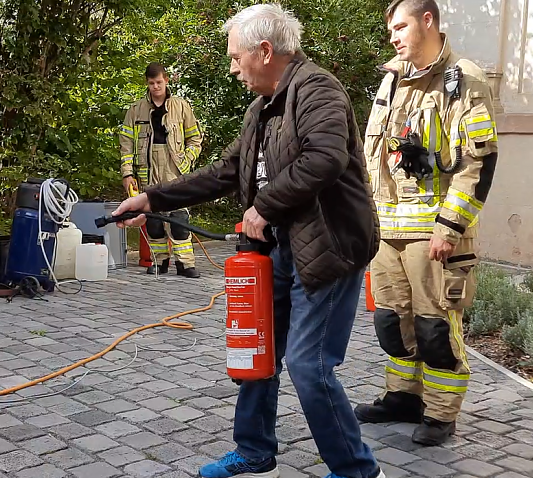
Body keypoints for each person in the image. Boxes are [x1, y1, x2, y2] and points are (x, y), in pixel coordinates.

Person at [112, 4, 384, 478]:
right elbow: (228, 172)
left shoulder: (317, 89)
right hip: (278, 250)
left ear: (264, 51)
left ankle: (358, 470)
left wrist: (263, 207)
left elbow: (324, 159)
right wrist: (152, 199)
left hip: (328, 249)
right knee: (255, 347)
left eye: (237, 57)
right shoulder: (261, 107)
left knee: (307, 365)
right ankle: (255, 449)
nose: (232, 67)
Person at [354, 0, 499, 447]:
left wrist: (449, 226)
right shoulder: (391, 78)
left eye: (401, 26)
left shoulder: (464, 80)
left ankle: (440, 415)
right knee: (393, 325)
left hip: (433, 234)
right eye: (391, 29)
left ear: (428, 21)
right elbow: (374, 157)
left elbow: (479, 161)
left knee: (435, 329)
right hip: (387, 232)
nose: (394, 36)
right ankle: (403, 397)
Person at [119, 62, 204, 278]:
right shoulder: (136, 110)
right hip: (147, 169)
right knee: (154, 221)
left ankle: (185, 264)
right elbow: (126, 144)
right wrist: (127, 173)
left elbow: (195, 138)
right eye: (151, 83)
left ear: (166, 80)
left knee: (179, 220)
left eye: (159, 82)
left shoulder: (181, 106)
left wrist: (187, 160)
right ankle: (159, 262)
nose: (156, 87)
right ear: (146, 84)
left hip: (175, 168)